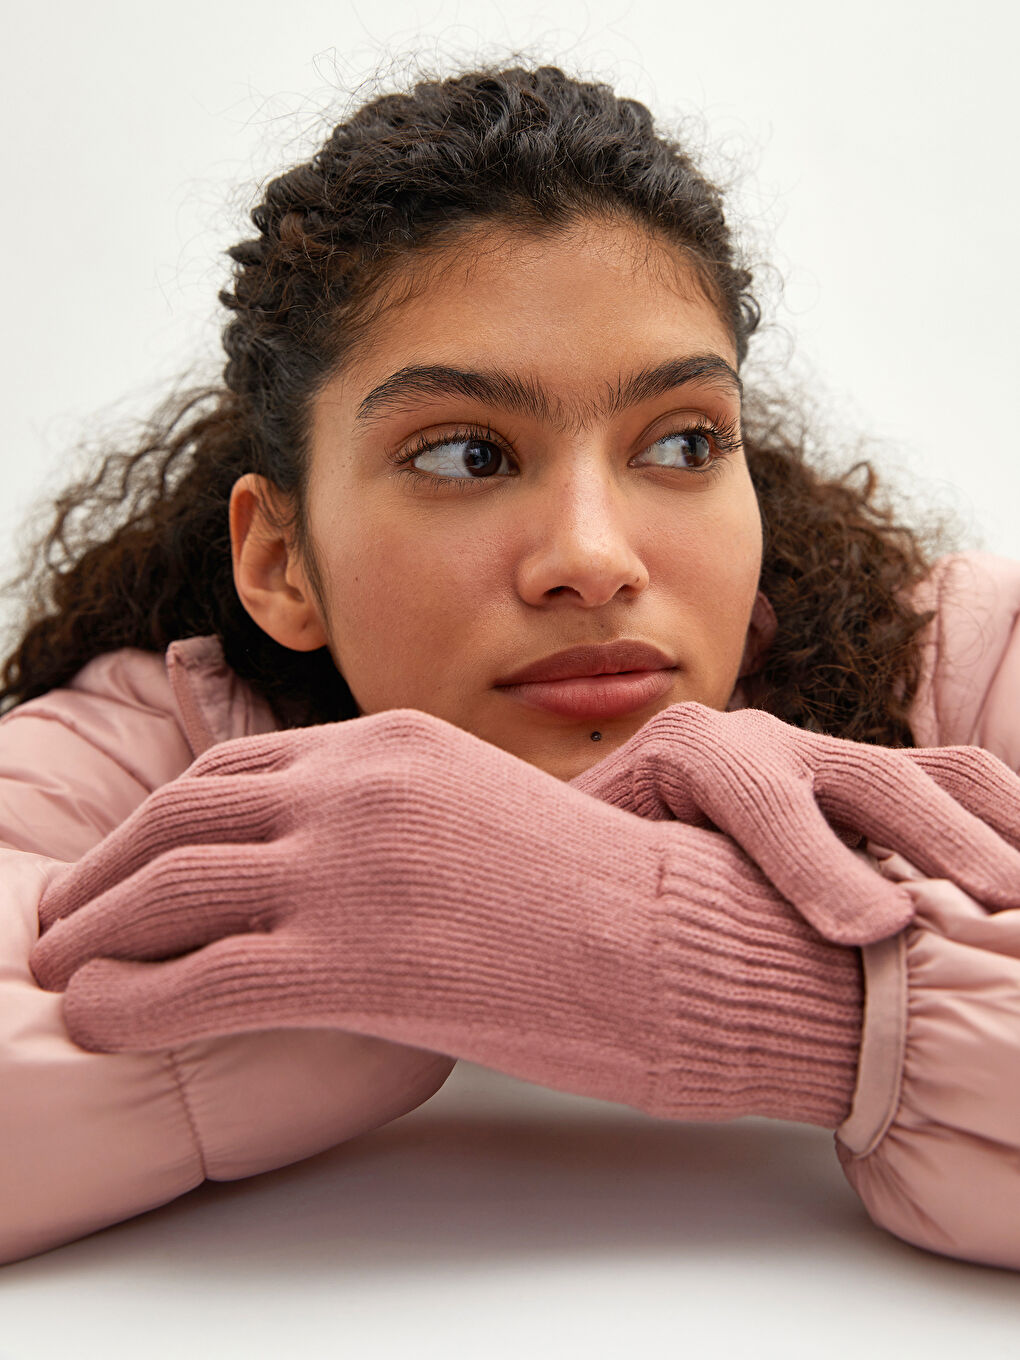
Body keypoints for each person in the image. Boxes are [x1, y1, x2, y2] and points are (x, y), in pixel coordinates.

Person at [2, 63, 1019, 1271]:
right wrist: (407, 905)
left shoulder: (955, 661)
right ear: (281, 558)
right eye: (466, 456)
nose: (592, 559)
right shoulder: (152, 743)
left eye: (683, 443)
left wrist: (690, 955)